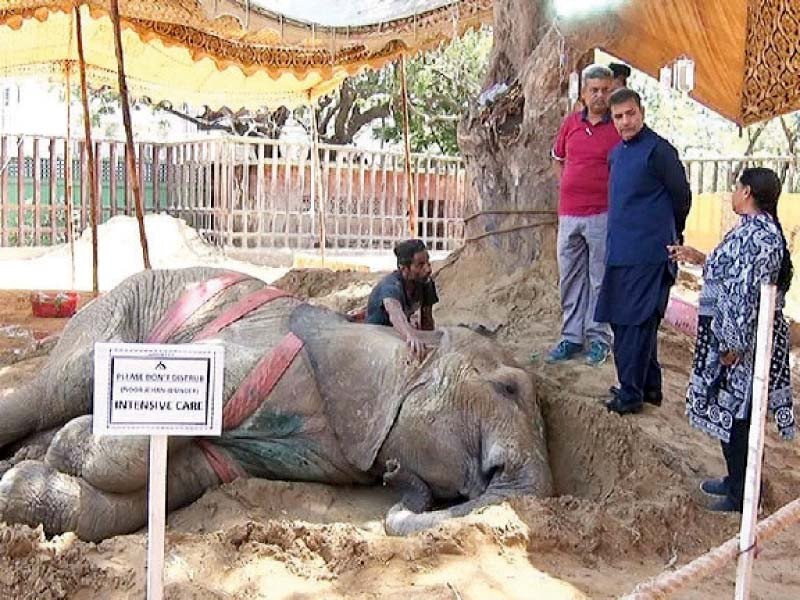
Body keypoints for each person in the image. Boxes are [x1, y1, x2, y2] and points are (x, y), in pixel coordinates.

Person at [669, 168, 795, 512]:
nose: (732, 193)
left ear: (748, 192)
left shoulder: (762, 237)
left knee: (740, 416)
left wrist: (732, 345)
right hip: (733, 339)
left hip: (742, 345)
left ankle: (742, 496)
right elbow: (732, 274)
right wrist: (700, 259)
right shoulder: (753, 232)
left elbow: (745, 294)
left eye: (736, 187)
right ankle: (735, 480)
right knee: (731, 412)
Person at [596, 88, 691, 414]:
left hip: (650, 253)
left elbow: (682, 198)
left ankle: (630, 393)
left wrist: (668, 235)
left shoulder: (660, 151)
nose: (626, 121)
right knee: (626, 322)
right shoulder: (616, 154)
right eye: (619, 116)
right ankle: (649, 387)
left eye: (630, 114)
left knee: (636, 322)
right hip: (620, 251)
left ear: (642, 112)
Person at [547, 64, 620, 366]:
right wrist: (566, 186)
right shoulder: (570, 124)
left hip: (603, 214)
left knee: (600, 279)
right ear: (584, 93)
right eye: (595, 90)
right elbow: (557, 159)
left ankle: (599, 339)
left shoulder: (618, 126)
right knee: (570, 277)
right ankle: (571, 337)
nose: (600, 96)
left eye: (605, 90)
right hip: (569, 215)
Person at [365, 238, 438, 358]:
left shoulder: (426, 283)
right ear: (403, 268)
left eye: (428, 263)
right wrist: (411, 336)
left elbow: (427, 320)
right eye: (420, 265)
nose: (428, 269)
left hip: (398, 335)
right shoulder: (391, 286)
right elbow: (396, 315)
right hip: (376, 339)